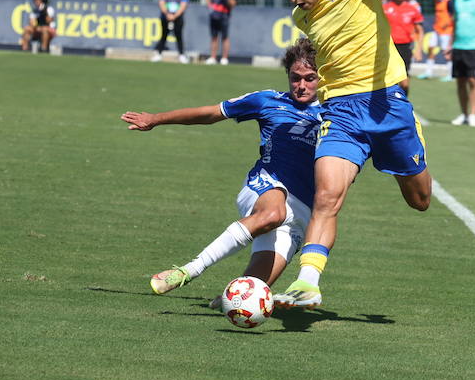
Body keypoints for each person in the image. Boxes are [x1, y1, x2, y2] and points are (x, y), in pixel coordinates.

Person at [269, 0, 433, 308]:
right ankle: (307, 282)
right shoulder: (303, 17)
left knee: (419, 200)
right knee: (326, 197)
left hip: (386, 104)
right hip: (341, 113)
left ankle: (413, 142)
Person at [126, 38, 325, 300]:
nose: (301, 85)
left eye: (309, 78)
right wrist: (156, 119)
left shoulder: (338, 113)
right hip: (267, 184)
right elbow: (211, 113)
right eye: (295, 77)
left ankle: (222, 303)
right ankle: (190, 270)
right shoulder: (267, 100)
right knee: (273, 213)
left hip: (304, 212)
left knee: (245, 296)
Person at [382, 0, 423, 88]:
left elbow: (420, 30)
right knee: (389, 81)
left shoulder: (413, 9)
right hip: (388, 47)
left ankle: (404, 103)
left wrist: (419, 49)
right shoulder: (384, 8)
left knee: (404, 83)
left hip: (405, 48)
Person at [152, 0, 190, 64]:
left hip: (177, 17)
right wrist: (167, 13)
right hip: (165, 17)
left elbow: (183, 5)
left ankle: (181, 55)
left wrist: (175, 15)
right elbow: (161, 2)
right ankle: (159, 54)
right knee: (163, 35)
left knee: (179, 36)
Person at [206, 0, 234, 65]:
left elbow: (233, 4)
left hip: (224, 17)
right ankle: (213, 57)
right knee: (214, 37)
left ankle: (224, 58)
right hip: (214, 17)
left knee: (225, 37)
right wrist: (210, 7)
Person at [430, 0, 454, 66]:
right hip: (437, 29)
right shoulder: (436, 1)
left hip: (446, 30)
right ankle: (429, 71)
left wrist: (447, 24)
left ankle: (449, 72)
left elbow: (454, 15)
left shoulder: (449, 1)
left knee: (446, 51)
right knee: (430, 47)